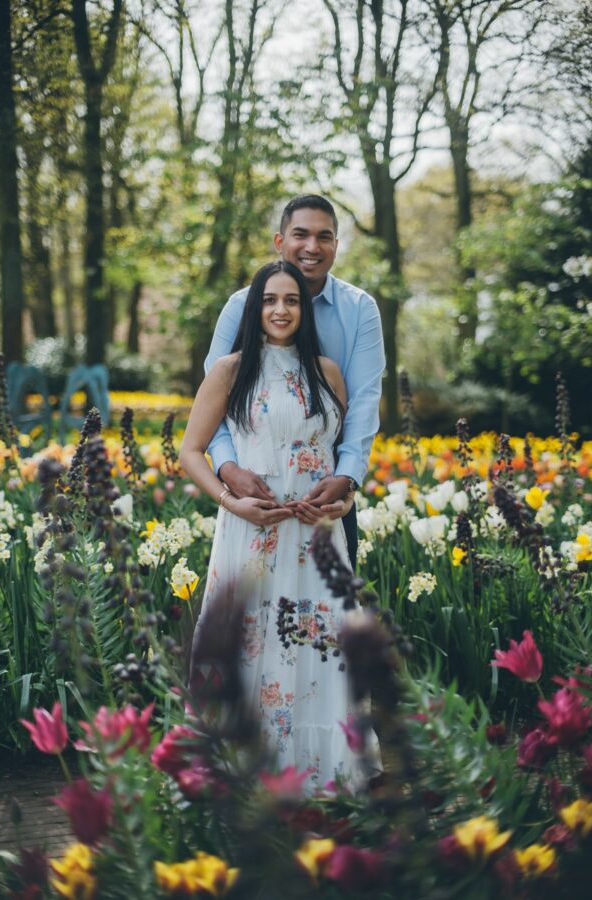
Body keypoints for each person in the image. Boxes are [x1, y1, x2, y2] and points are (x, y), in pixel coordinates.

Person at [180, 260, 370, 785]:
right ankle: (242, 770)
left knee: (322, 643)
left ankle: (318, 770)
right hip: (253, 530)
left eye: (291, 300)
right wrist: (229, 500)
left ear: (304, 310)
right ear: (254, 307)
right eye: (269, 300)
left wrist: (342, 501)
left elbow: (331, 458)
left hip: (317, 537)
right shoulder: (230, 370)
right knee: (251, 640)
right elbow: (191, 451)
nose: (281, 309)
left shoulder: (328, 372)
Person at [205, 194, 385, 569]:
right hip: (254, 500)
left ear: (336, 245)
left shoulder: (360, 310)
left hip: (325, 498)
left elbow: (364, 402)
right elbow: (213, 400)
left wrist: (347, 478)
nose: (311, 247)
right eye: (300, 234)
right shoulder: (242, 307)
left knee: (327, 618)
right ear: (279, 241)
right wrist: (228, 469)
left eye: (324, 237)